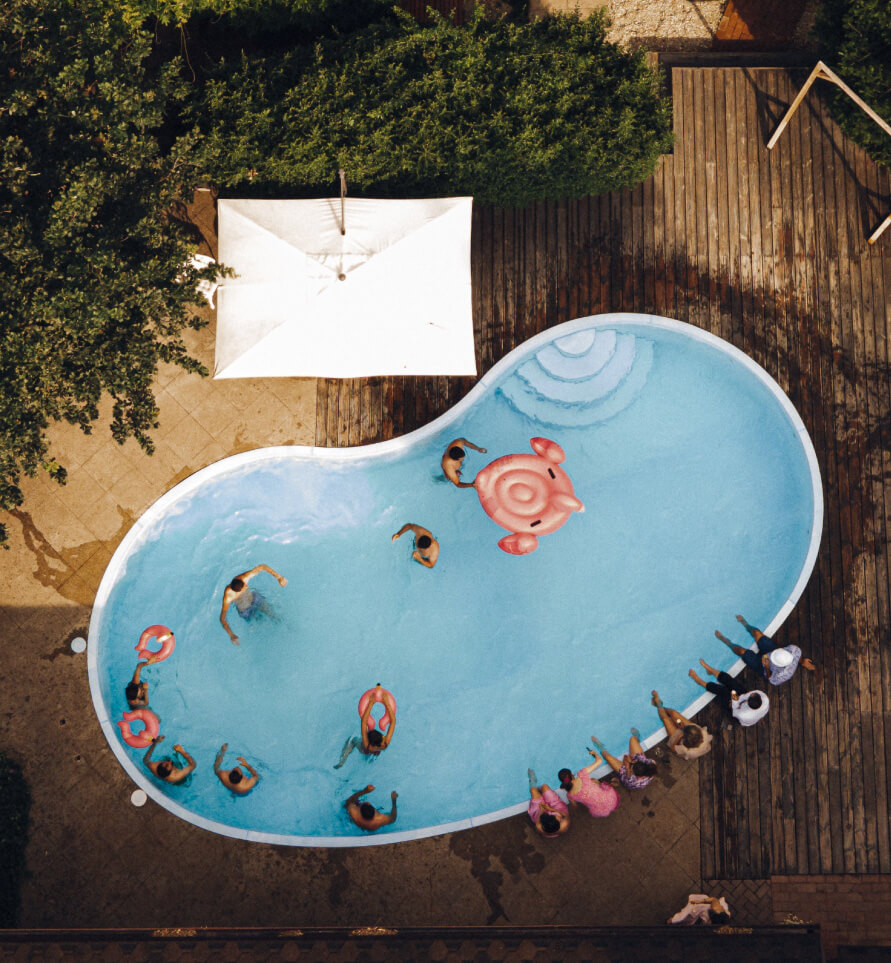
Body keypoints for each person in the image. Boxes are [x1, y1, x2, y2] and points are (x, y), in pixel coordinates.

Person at [715, 614, 816, 686]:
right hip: (774, 650)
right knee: (757, 633)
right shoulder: (794, 650)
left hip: (763, 666)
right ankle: (745, 624)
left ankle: (727, 642)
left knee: (741, 652)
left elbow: (770, 678)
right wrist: (802, 661)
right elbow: (798, 657)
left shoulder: (783, 675)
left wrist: (767, 667)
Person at [219, 563, 287, 644]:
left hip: (255, 599)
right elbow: (222, 618)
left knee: (272, 614)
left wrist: (279, 577)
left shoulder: (243, 578)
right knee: (261, 624)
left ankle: (283, 626)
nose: (247, 586)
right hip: (246, 611)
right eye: (244, 587)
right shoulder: (228, 597)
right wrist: (231, 635)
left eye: (245, 584)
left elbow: (262, 566)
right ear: (238, 592)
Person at [689, 661, 770, 726]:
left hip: (736, 712)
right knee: (732, 683)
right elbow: (746, 695)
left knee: (723, 691)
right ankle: (710, 670)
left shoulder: (744, 714)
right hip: (742, 701)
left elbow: (735, 710)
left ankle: (698, 681)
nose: (752, 693)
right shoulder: (764, 698)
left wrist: (734, 701)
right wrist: (737, 697)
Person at [334, 686, 397, 769]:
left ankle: (341, 762)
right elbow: (393, 722)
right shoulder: (385, 744)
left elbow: (364, 722)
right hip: (375, 753)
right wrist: (387, 703)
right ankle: (369, 762)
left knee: (352, 740)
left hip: (364, 750)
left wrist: (370, 704)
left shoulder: (367, 743)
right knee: (368, 755)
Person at [558, 748, 620, 818]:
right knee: (593, 780)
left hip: (599, 811)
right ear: (571, 775)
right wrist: (594, 753)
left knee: (592, 782)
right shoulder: (581, 775)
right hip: (610, 800)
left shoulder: (570, 795)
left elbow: (574, 805)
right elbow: (599, 760)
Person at [651, 690, 713, 760]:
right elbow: (690, 727)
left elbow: (673, 748)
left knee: (666, 720)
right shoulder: (703, 732)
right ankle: (664, 708)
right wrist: (683, 726)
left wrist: (679, 737)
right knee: (673, 713)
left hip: (678, 741)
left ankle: (659, 705)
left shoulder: (686, 750)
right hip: (687, 736)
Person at [590, 728, 657, 791]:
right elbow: (640, 758)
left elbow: (628, 772)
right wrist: (631, 761)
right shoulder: (650, 764)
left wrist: (627, 766)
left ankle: (601, 747)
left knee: (608, 757)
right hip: (637, 768)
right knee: (633, 739)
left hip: (628, 777)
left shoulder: (632, 781)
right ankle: (637, 738)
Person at [527, 768, 570, 837]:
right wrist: (551, 809)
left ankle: (532, 781)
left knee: (533, 790)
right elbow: (565, 815)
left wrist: (542, 810)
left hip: (540, 813)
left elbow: (538, 821)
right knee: (544, 787)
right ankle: (540, 792)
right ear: (559, 821)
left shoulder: (540, 827)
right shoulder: (564, 824)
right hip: (557, 809)